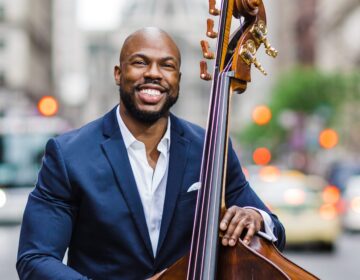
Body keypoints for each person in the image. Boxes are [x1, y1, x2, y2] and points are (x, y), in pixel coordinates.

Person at [17, 27, 285, 280]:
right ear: (118, 74)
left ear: (177, 80)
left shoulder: (212, 149)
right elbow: (35, 259)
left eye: (167, 65)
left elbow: (275, 229)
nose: (154, 73)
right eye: (140, 62)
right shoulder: (68, 155)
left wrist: (255, 217)